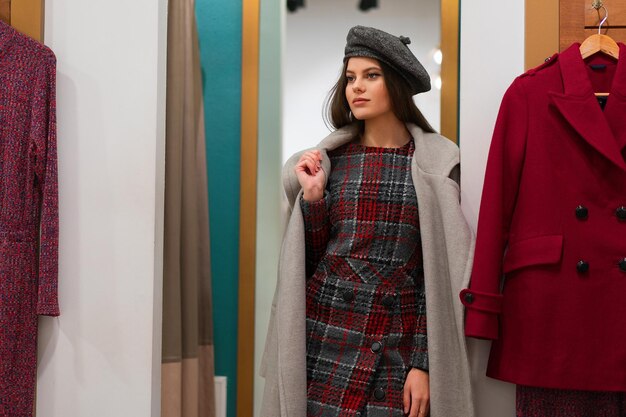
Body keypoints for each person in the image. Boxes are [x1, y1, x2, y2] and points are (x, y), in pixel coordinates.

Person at [260, 26, 475, 417]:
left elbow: (438, 275)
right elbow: (309, 259)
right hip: (326, 335)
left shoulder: (434, 166)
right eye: (350, 78)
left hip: (396, 341)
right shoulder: (329, 162)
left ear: (397, 84)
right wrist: (313, 197)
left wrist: (424, 363)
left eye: (371, 76)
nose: (356, 87)